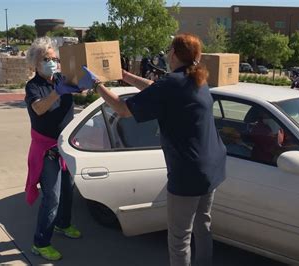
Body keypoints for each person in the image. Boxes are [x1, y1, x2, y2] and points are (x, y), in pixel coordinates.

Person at [83, 33, 227, 266]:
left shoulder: (172, 83)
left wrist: (97, 85)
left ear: (173, 53)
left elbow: (122, 109)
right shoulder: (196, 79)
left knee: (179, 238)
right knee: (203, 225)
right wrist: (125, 76)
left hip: (188, 172)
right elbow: (154, 87)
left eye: (169, 49)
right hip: (212, 166)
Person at [24, 37, 82, 261]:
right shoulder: (34, 86)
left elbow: (81, 88)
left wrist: (90, 80)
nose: (52, 62)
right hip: (48, 150)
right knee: (52, 197)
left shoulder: (60, 78)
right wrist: (57, 92)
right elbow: (38, 109)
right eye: (46, 59)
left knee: (68, 190)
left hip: (66, 146)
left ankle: (63, 224)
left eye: (54, 58)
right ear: (36, 63)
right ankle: (40, 242)